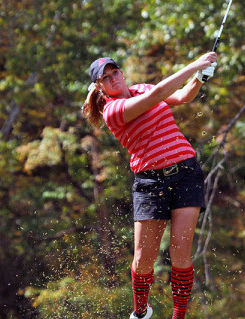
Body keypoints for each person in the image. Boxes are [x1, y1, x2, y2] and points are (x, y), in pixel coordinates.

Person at [81, 52, 217, 319]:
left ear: (121, 72)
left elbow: (182, 97)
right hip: (151, 183)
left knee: (181, 253)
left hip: (186, 173)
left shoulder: (141, 88)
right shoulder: (113, 111)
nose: (113, 79)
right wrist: (192, 65)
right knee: (144, 259)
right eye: (105, 78)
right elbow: (155, 97)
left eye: (115, 73)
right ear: (99, 87)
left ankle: (179, 316)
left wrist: (199, 78)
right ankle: (141, 312)